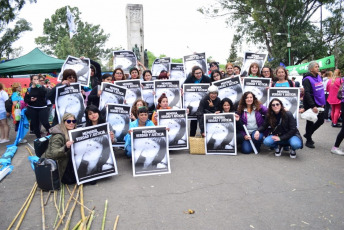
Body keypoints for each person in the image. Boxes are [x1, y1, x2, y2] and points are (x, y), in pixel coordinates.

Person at [41, 113, 77, 184]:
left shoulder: (73, 131)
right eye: (69, 121)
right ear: (63, 122)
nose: (71, 123)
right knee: (70, 181)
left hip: (65, 158)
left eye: (74, 121)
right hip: (56, 163)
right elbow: (55, 154)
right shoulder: (58, 136)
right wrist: (65, 147)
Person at [302, 61, 326, 148]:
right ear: (311, 69)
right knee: (310, 121)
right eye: (316, 67)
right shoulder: (307, 79)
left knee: (321, 120)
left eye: (318, 66)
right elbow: (307, 93)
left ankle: (308, 134)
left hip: (319, 102)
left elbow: (320, 91)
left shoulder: (319, 77)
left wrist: (322, 102)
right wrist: (313, 106)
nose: (318, 68)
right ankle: (308, 140)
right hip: (310, 102)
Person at [183, 66, 211, 137]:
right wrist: (182, 91)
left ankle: (204, 137)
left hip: (204, 103)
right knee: (193, 121)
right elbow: (183, 87)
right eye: (196, 73)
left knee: (203, 121)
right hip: (193, 102)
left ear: (202, 72)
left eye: (200, 73)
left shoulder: (207, 79)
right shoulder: (190, 79)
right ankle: (192, 137)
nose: (198, 75)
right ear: (193, 74)